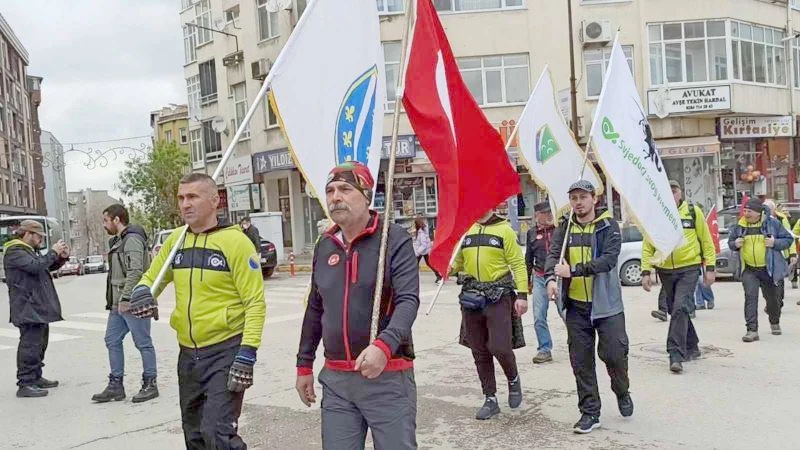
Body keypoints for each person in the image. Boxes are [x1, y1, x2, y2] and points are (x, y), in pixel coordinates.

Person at [131, 173, 266, 449]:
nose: (185, 204)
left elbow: (255, 303)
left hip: (226, 351)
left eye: (192, 196)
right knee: (193, 434)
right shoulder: (176, 242)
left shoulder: (236, 243)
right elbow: (150, 279)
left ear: (215, 200)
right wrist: (142, 292)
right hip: (188, 354)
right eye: (181, 198)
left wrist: (247, 354)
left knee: (218, 434)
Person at [295, 161, 419, 448]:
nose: (335, 196)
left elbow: (408, 301)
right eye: (330, 191)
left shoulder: (393, 239)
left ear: (366, 195)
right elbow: (315, 308)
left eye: (345, 189)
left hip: (387, 375)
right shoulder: (324, 244)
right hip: (337, 380)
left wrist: (384, 346)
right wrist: (304, 365)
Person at [545, 180, 632, 434]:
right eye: (574, 198)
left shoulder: (608, 226)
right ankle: (590, 412)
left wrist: (573, 271)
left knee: (615, 355)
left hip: (607, 307)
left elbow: (607, 260)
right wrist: (551, 278)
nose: (578, 202)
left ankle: (622, 390)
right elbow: (553, 256)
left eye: (583, 197)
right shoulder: (565, 227)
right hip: (576, 307)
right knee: (581, 362)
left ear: (594, 199)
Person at [451, 206, 528, 420]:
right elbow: (458, 263)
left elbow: (518, 265)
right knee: (479, 350)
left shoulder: (505, 231)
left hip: (498, 295)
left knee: (499, 347)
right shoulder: (467, 231)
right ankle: (490, 398)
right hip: (471, 297)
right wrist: (448, 267)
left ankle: (513, 379)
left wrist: (522, 295)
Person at [641, 180, 716, 374]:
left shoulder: (693, 212)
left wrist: (710, 267)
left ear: (680, 193)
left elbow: (706, 240)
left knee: (680, 307)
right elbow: (648, 245)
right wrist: (646, 271)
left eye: (674, 191)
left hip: (689, 268)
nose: (671, 195)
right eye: (667, 192)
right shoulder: (655, 216)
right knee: (678, 310)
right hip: (665, 270)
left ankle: (675, 354)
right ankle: (692, 345)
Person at [91, 204, 158, 403]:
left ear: (117, 220)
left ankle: (150, 383)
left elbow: (136, 271)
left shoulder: (132, 240)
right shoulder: (119, 241)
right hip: (118, 303)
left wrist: (127, 298)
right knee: (112, 339)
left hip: (133, 301)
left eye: (106, 220)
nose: (105, 225)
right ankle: (116, 385)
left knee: (143, 343)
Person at [4, 220, 68, 398]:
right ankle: (25, 383)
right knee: (30, 345)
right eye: (39, 236)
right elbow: (35, 266)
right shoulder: (14, 251)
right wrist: (53, 252)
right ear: (28, 234)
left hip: (36, 306)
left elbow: (43, 266)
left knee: (40, 343)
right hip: (27, 307)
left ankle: (36, 376)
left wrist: (60, 257)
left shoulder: (28, 251)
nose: (41, 240)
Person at [728, 198, 793, 342]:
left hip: (768, 269)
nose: (746, 214)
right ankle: (752, 330)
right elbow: (731, 242)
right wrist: (735, 244)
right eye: (745, 210)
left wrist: (774, 242)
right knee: (750, 298)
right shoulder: (740, 226)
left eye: (749, 211)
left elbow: (788, 239)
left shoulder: (772, 224)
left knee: (772, 300)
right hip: (749, 269)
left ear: (758, 212)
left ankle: (774, 321)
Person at [525, 201, 555, 364]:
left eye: (550, 212)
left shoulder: (559, 229)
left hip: (559, 277)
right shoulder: (531, 233)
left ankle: (577, 345)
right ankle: (544, 348)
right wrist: (526, 282)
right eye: (545, 213)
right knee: (538, 316)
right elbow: (528, 259)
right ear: (537, 215)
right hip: (539, 276)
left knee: (567, 314)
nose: (549, 215)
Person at [763, 200, 796, 311]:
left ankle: (778, 301)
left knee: (779, 281)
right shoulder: (761, 221)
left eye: (768, 209)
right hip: (767, 256)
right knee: (768, 283)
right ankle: (771, 303)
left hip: (782, 254)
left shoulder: (781, 219)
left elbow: (790, 236)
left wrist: (792, 253)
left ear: (773, 210)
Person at [412, 216, 442, 283]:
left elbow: (424, 245)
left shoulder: (421, 233)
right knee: (427, 264)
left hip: (422, 251)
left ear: (417, 224)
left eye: (414, 224)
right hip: (423, 251)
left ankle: (412, 279)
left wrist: (417, 252)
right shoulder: (421, 231)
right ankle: (439, 276)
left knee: (415, 265)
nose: (414, 225)